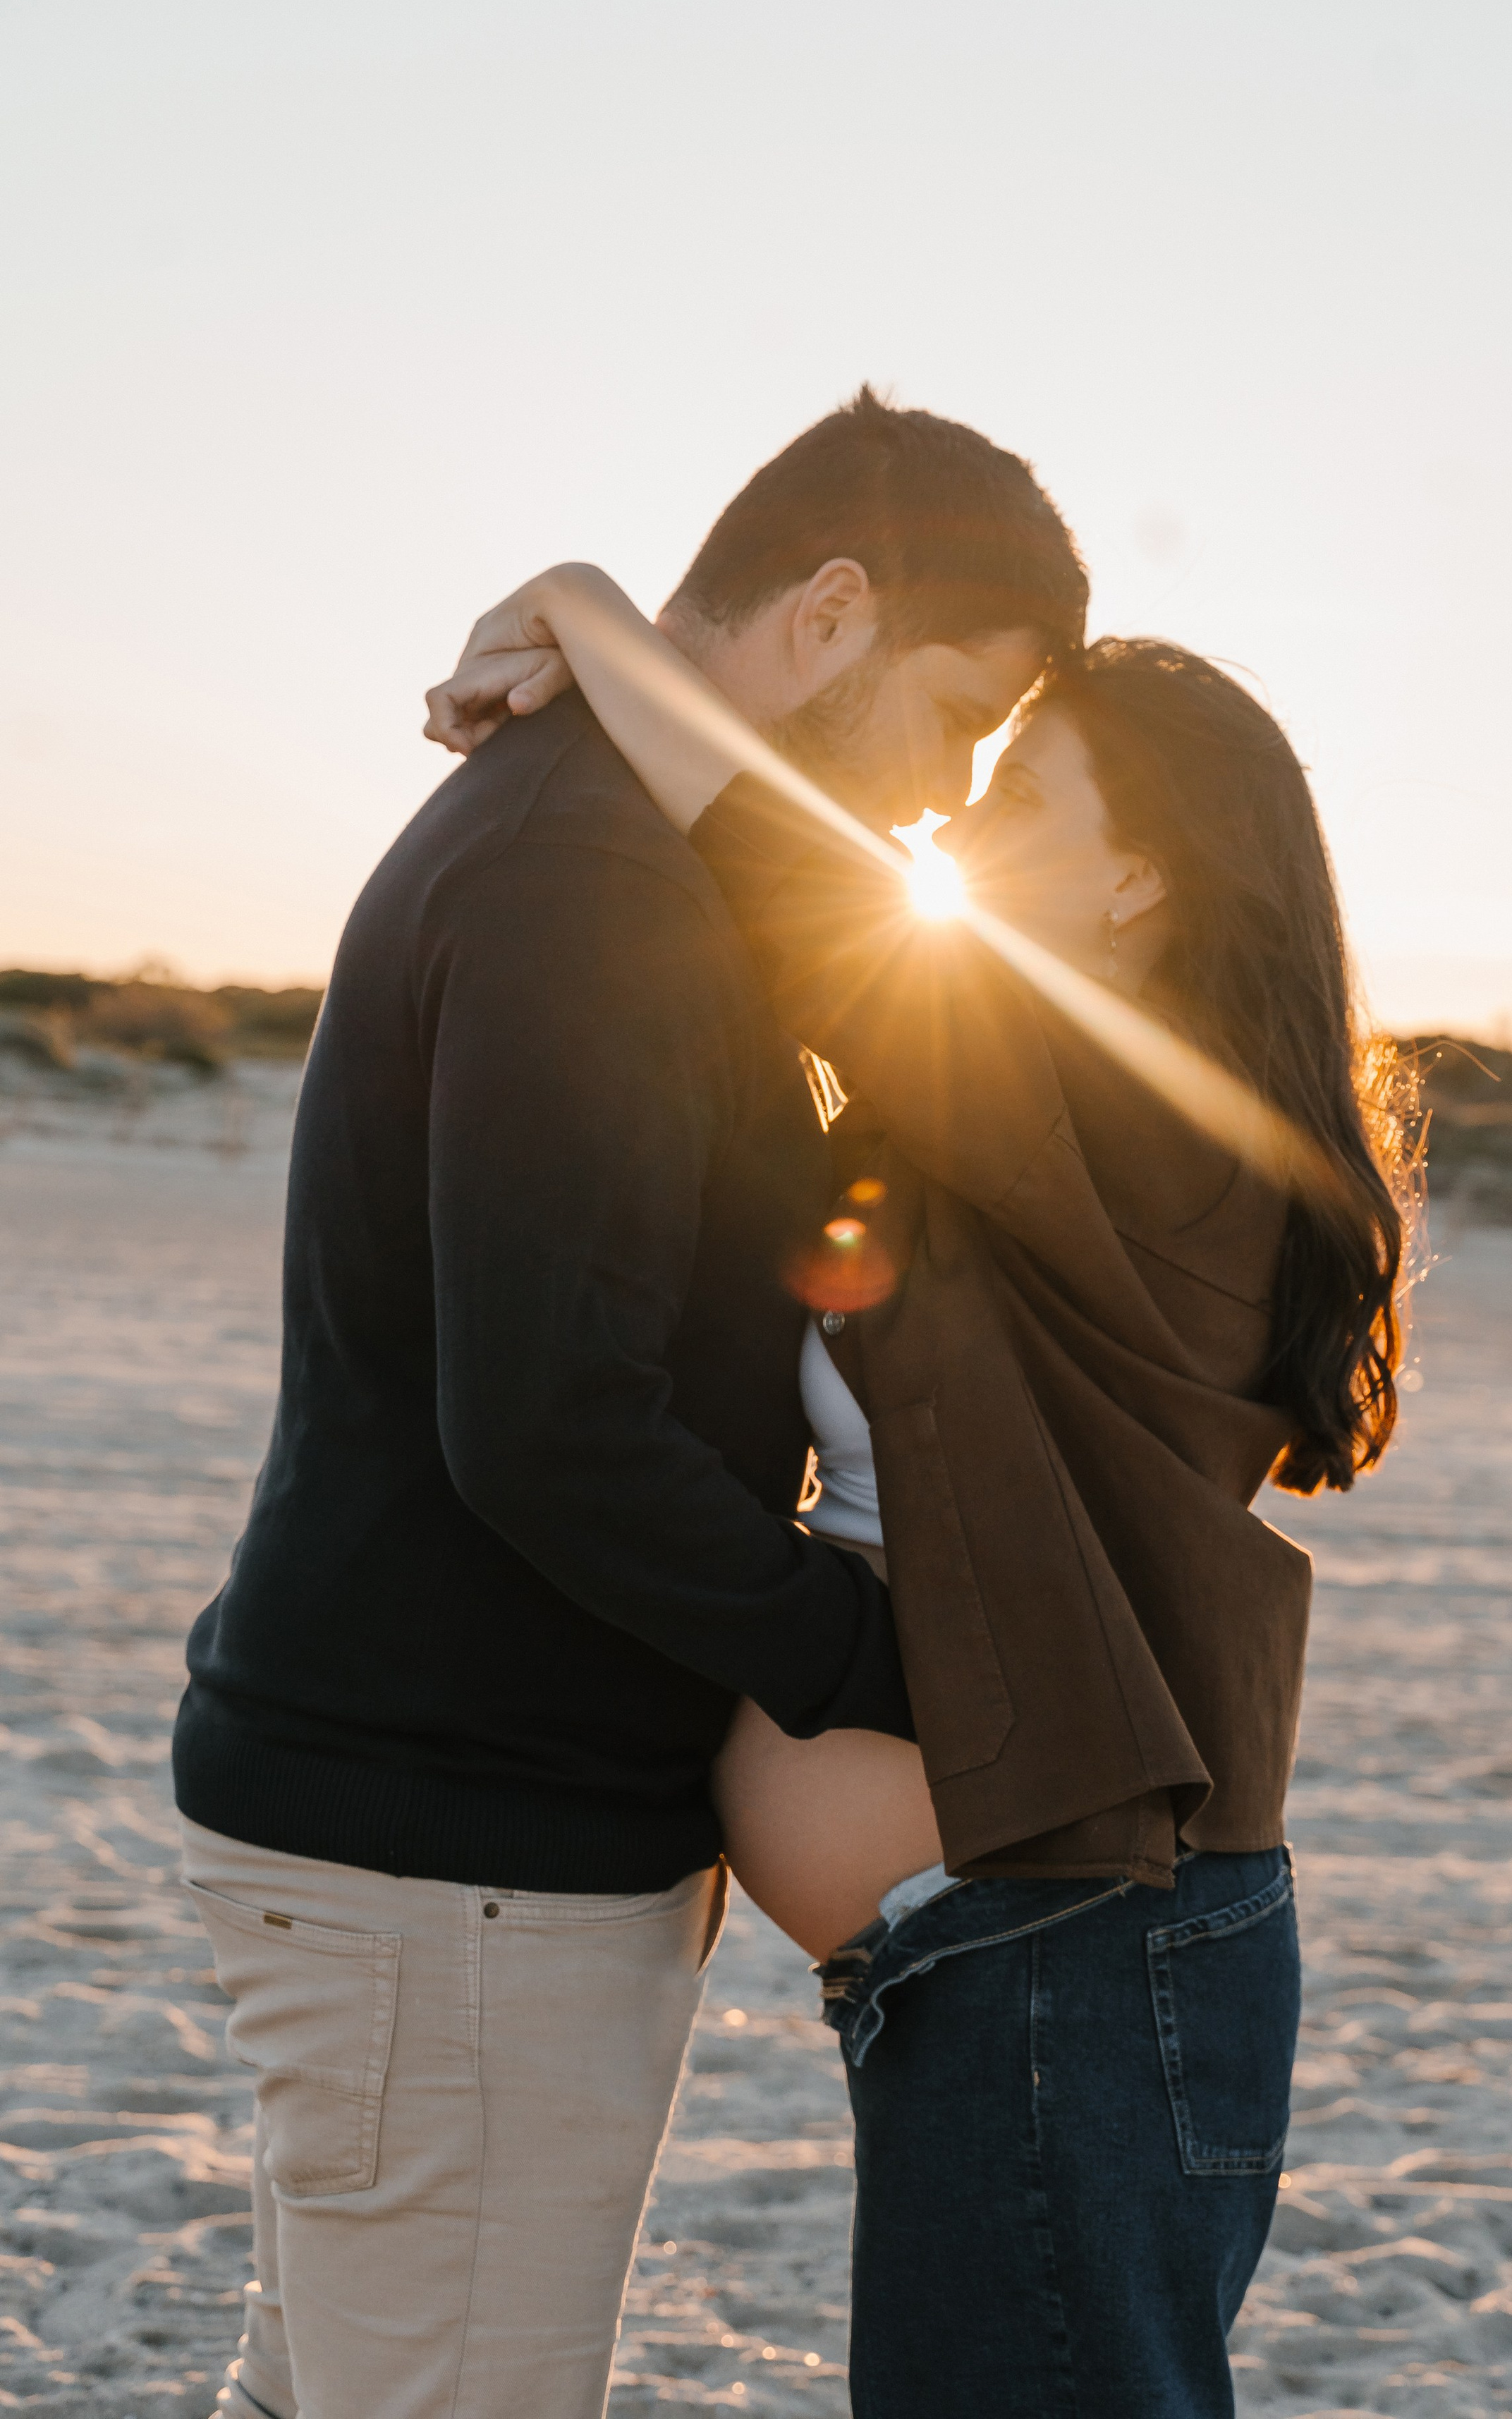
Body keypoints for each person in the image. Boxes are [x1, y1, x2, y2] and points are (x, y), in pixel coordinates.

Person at [171, 389, 1090, 2419]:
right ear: (835, 612)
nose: (945, 802)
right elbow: (548, 1426)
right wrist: (892, 1663)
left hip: (430, 1835)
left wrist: (588, 611)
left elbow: (816, 909)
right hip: (451, 1857)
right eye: (958, 718)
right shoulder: (589, 878)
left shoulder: (628, 839)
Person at [427, 563, 1413, 2418]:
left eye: (1019, 792)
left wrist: (580, 604)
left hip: (1076, 1957)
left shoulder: (1125, 1111)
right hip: (1056, 1957)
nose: (956, 821)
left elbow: (782, 867)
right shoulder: (1058, 1121)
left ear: (1142, 881)